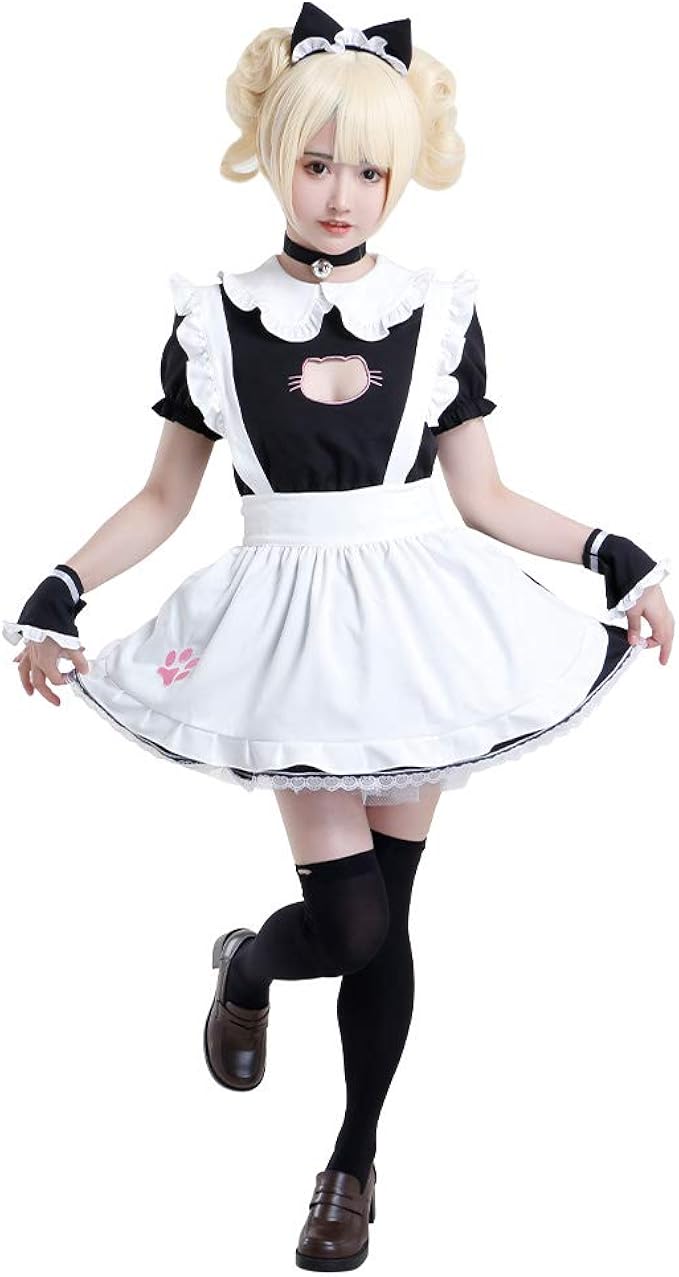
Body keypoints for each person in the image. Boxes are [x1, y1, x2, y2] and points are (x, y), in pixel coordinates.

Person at [3, 4, 674, 1270]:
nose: (341, 194)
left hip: (420, 625)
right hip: (292, 630)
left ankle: (351, 1163)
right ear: (274, 154)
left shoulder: (434, 311)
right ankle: (249, 967)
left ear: (401, 173)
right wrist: (59, 583)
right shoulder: (216, 316)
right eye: (317, 162)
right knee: (350, 925)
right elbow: (164, 497)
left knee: (391, 920)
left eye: (369, 170)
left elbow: (483, 495)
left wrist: (609, 548)